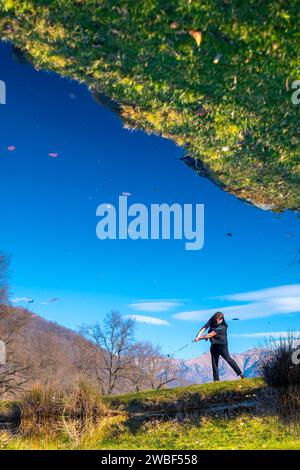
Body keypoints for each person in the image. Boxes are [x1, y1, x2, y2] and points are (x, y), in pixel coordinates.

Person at [195, 312, 244, 382]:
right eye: (214, 319)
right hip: (214, 344)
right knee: (214, 363)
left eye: (216, 320)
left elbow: (210, 334)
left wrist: (199, 338)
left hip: (222, 345)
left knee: (228, 359)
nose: (214, 321)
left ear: (220, 319)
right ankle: (216, 381)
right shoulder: (213, 319)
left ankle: (240, 373)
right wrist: (198, 335)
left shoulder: (223, 326)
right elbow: (205, 327)